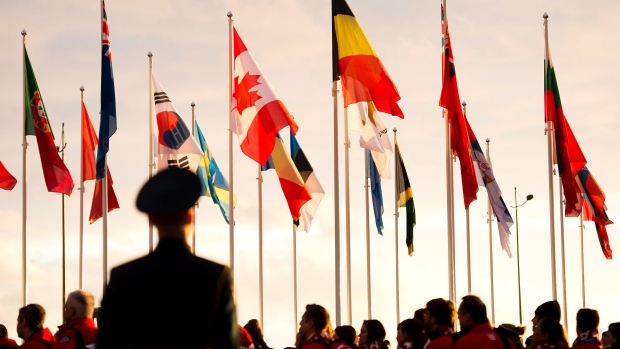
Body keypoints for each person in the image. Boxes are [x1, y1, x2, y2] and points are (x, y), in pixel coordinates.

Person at [96, 168, 239, 349]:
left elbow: (108, 343)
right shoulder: (216, 276)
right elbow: (228, 343)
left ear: (151, 220)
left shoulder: (122, 277)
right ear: (189, 218)